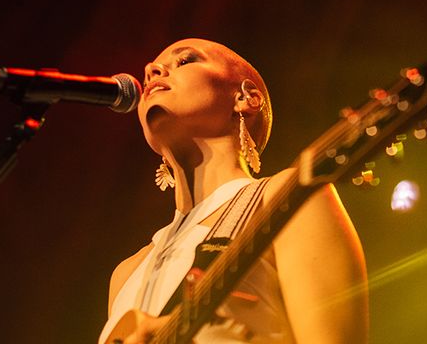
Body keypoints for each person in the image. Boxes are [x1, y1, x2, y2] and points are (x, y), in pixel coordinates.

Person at [98, 38, 368, 343]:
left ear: (245, 98)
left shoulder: (284, 196)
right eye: (150, 72)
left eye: (185, 60)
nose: (152, 71)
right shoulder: (125, 273)